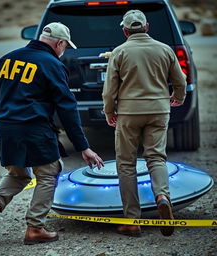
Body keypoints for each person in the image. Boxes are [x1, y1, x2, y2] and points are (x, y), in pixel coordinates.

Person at [0, 22, 104, 245]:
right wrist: (83, 146)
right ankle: (35, 227)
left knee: (18, 174)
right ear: (60, 43)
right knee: (49, 172)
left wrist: (7, 120)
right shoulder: (52, 64)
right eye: (64, 47)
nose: (64, 51)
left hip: (6, 128)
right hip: (35, 129)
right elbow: (67, 108)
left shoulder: (6, 59)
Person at [102, 10, 186, 237]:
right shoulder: (164, 49)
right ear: (147, 27)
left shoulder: (119, 52)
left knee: (126, 163)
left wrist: (109, 111)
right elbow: (181, 80)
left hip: (129, 112)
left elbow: (109, 89)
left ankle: (132, 220)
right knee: (156, 157)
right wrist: (178, 97)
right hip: (159, 110)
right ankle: (162, 197)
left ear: (125, 30)